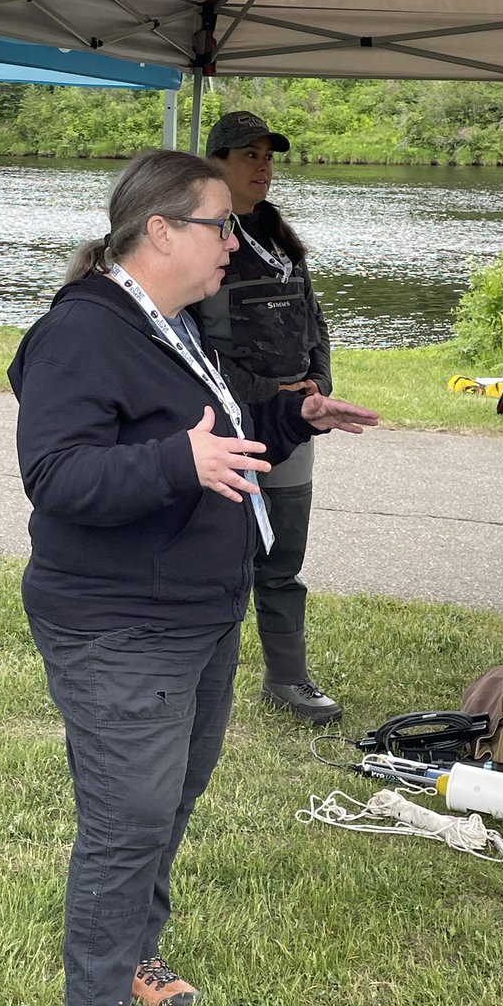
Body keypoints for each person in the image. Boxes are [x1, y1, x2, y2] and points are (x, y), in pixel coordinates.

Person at [7, 148, 378, 1006]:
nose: (235, 244)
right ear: (162, 230)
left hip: (199, 617)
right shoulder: (81, 334)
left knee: (166, 804)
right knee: (126, 822)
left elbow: (214, 425)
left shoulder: (169, 323)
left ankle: (136, 951)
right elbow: (57, 475)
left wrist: (297, 416)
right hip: (118, 625)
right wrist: (179, 465)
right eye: (222, 225)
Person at [195, 110, 339, 726]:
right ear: (217, 163)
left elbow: (315, 324)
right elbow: (195, 345)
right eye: (249, 155)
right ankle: (200, 673)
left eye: (268, 156)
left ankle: (287, 679)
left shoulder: (280, 239)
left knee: (283, 562)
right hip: (228, 424)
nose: (263, 166)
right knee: (218, 558)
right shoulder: (200, 240)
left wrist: (318, 389)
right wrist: (266, 393)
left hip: (293, 424)